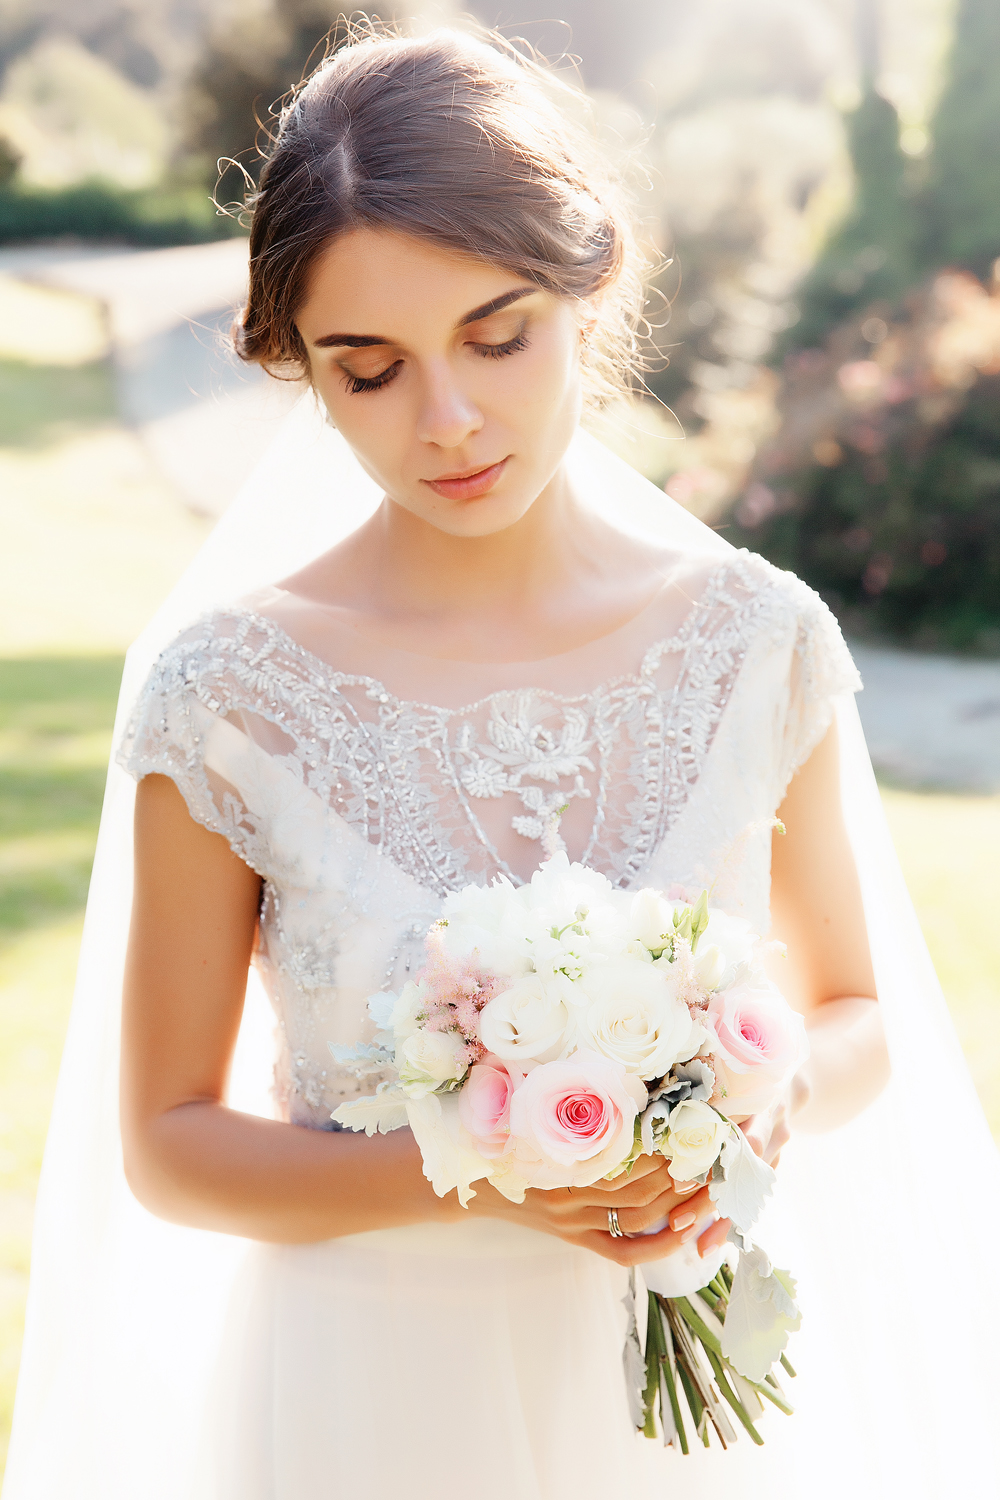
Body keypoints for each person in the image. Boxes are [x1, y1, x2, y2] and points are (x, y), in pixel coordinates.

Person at [6, 23, 998, 1500]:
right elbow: (168, 1140)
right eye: (371, 372)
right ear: (302, 374)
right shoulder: (230, 698)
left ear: (586, 290)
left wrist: (744, 1096)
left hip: (697, 1415)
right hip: (363, 1402)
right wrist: (497, 1167)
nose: (450, 420)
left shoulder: (752, 642)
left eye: (496, 333)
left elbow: (855, 1010)